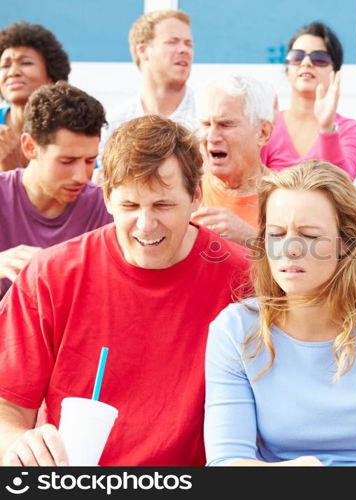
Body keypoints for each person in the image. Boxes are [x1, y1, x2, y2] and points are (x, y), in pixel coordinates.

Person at [0, 115, 249, 466]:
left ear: (195, 197)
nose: (146, 225)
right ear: (106, 198)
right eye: (130, 206)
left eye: (163, 205)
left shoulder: (243, 278)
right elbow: (7, 404)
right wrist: (17, 443)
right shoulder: (51, 276)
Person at [204, 160, 356, 466]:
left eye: (309, 235)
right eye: (277, 233)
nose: (290, 249)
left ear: (346, 243)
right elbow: (227, 461)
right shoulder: (234, 329)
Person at [0, 82, 111, 298]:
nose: (81, 176)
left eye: (90, 161)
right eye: (67, 161)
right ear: (30, 147)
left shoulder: (107, 208)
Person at [260, 22, 356, 179]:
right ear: (287, 69)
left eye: (319, 58)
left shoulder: (349, 130)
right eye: (297, 57)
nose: (306, 63)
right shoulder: (268, 124)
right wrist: (259, 134)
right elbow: (248, 183)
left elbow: (342, 187)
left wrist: (327, 129)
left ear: (335, 72)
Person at [98, 10, 196, 165]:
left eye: (188, 43)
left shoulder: (207, 119)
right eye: (172, 41)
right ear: (143, 51)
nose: (184, 50)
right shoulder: (115, 124)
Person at [191, 74, 275, 247]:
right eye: (206, 124)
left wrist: (251, 239)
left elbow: (311, 260)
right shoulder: (185, 191)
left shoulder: (287, 196)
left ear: (263, 133)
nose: (212, 137)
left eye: (225, 124)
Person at [0, 22, 70, 171]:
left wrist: (10, 171)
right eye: (5, 66)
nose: (13, 72)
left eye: (26, 63)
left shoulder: (70, 130)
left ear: (51, 77)